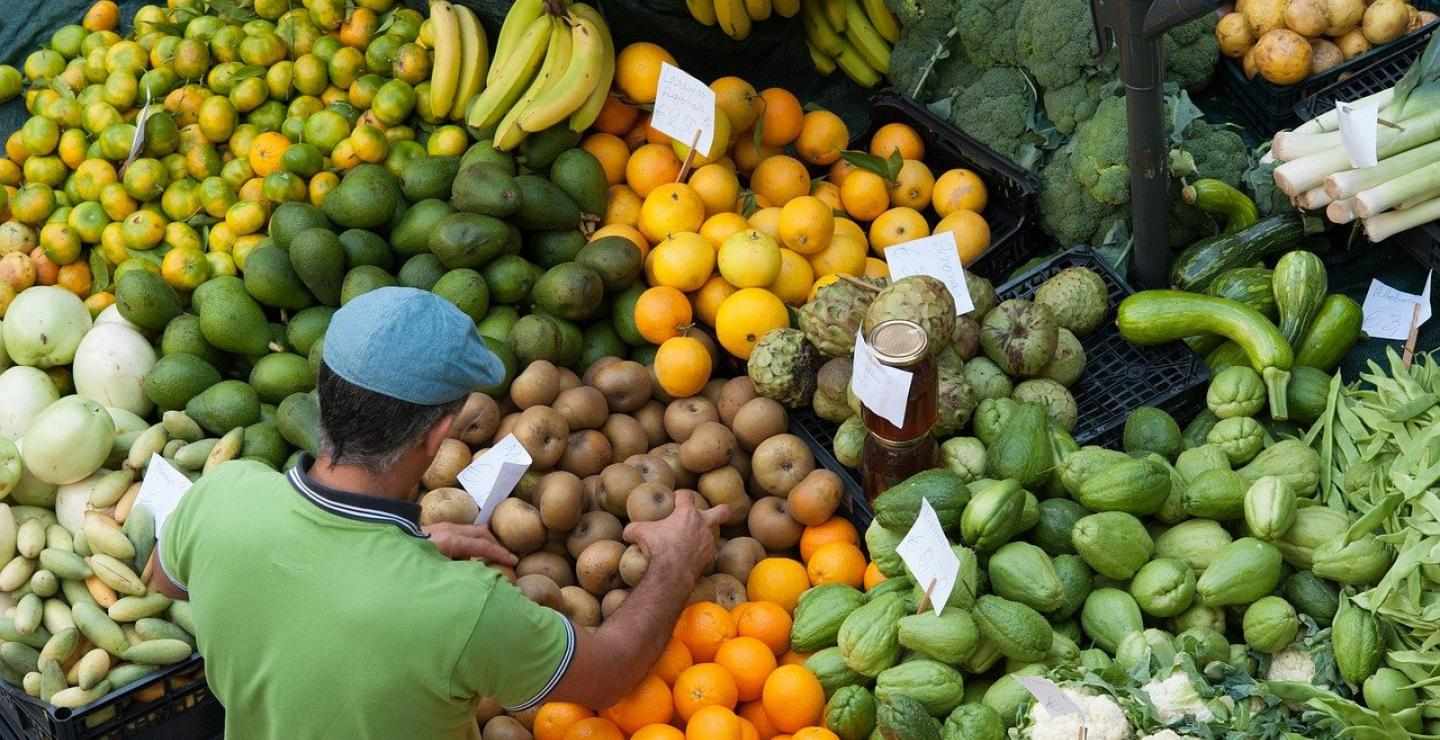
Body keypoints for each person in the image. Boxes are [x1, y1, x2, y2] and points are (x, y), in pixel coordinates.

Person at [147, 287, 728, 739]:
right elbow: (613, 673)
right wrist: (673, 567)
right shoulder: (464, 608)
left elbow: (164, 581)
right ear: (440, 434)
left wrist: (398, 551)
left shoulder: (224, 494)